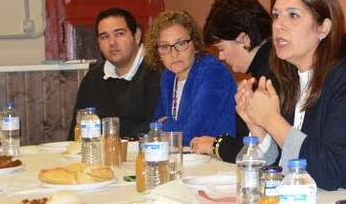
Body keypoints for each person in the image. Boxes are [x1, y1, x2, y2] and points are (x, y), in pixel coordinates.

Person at [236, 0, 346, 192]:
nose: (278, 26)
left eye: (293, 16)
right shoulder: (285, 75)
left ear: (323, 28)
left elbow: (329, 172)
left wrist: (271, 119)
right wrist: (257, 126)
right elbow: (281, 165)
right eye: (276, 16)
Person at [190, 0, 273, 161]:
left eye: (221, 48)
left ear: (244, 39)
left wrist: (216, 145)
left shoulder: (269, 77)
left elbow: (264, 150)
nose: (221, 57)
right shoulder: (262, 69)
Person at [147, 10, 236, 144]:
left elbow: (192, 134)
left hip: (215, 159)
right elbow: (154, 125)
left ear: (195, 44)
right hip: (184, 157)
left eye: (181, 43)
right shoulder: (168, 76)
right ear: (158, 53)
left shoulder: (213, 72)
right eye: (165, 47)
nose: (174, 53)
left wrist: (166, 125)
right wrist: (174, 126)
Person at [72, 8, 160, 139]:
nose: (112, 42)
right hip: (98, 156)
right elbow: (77, 131)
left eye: (119, 34)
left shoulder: (157, 72)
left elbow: (156, 127)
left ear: (136, 36)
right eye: (104, 37)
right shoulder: (93, 77)